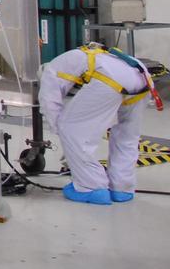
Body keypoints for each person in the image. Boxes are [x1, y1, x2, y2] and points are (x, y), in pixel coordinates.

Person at [38, 42, 160, 204]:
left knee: (70, 129)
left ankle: (91, 187)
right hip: (143, 79)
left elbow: (49, 102)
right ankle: (122, 188)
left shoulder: (51, 69)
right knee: (127, 136)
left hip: (111, 81)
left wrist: (60, 131)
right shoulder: (89, 54)